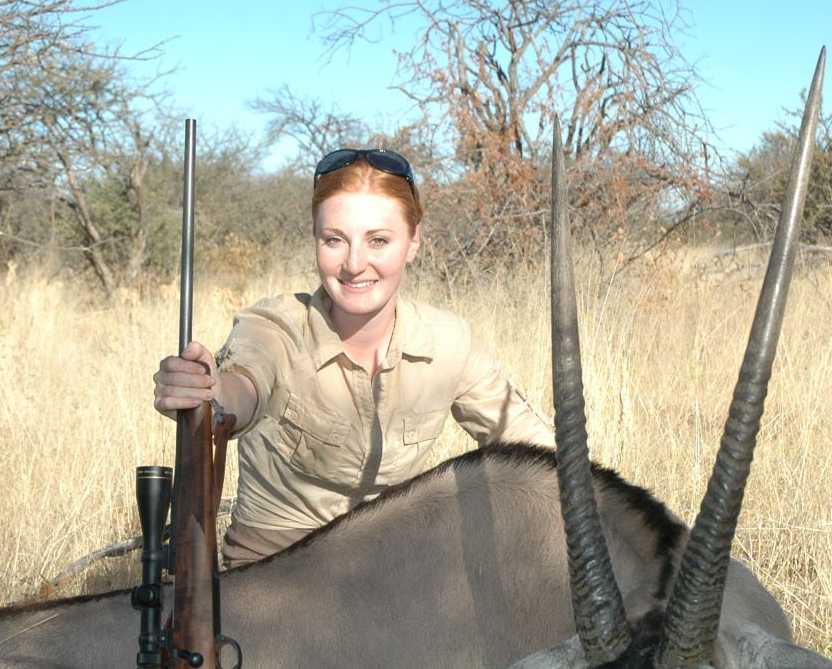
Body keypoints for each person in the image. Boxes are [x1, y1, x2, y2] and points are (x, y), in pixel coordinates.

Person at [153, 147, 554, 566]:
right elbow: (239, 388)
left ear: (413, 241)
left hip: (391, 568)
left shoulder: (449, 340)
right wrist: (207, 391)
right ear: (315, 239)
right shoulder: (272, 327)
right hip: (274, 571)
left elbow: (537, 448)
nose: (354, 264)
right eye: (334, 240)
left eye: (378, 240)